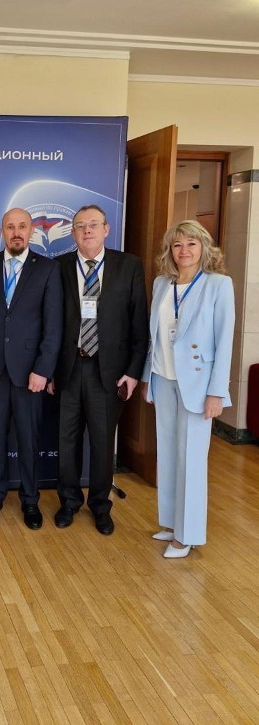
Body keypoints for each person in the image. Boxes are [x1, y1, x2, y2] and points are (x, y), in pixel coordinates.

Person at [52, 204, 148, 535]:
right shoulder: (59, 267)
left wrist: (133, 372)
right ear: (73, 233)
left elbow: (139, 324)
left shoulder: (129, 266)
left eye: (93, 224)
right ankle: (68, 502)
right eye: (80, 226)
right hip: (68, 368)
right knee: (66, 441)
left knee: (103, 442)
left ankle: (100, 506)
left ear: (106, 229)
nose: (87, 230)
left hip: (109, 372)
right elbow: (50, 324)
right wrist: (48, 370)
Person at [141, 220, 234, 558]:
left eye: (191, 244)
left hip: (197, 384)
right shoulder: (162, 283)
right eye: (177, 244)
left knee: (191, 458)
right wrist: (147, 378)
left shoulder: (218, 284)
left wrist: (217, 392)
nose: (184, 251)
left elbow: (224, 342)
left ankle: (188, 534)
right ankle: (171, 522)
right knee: (168, 453)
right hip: (163, 377)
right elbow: (154, 336)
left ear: (204, 248)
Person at [0, 208, 63, 529]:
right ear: (2, 231)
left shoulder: (48, 269)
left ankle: (30, 500)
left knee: (29, 440)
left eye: (22, 226)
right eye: (10, 227)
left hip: (30, 374)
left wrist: (43, 370)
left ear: (31, 231)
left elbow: (53, 326)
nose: (16, 232)